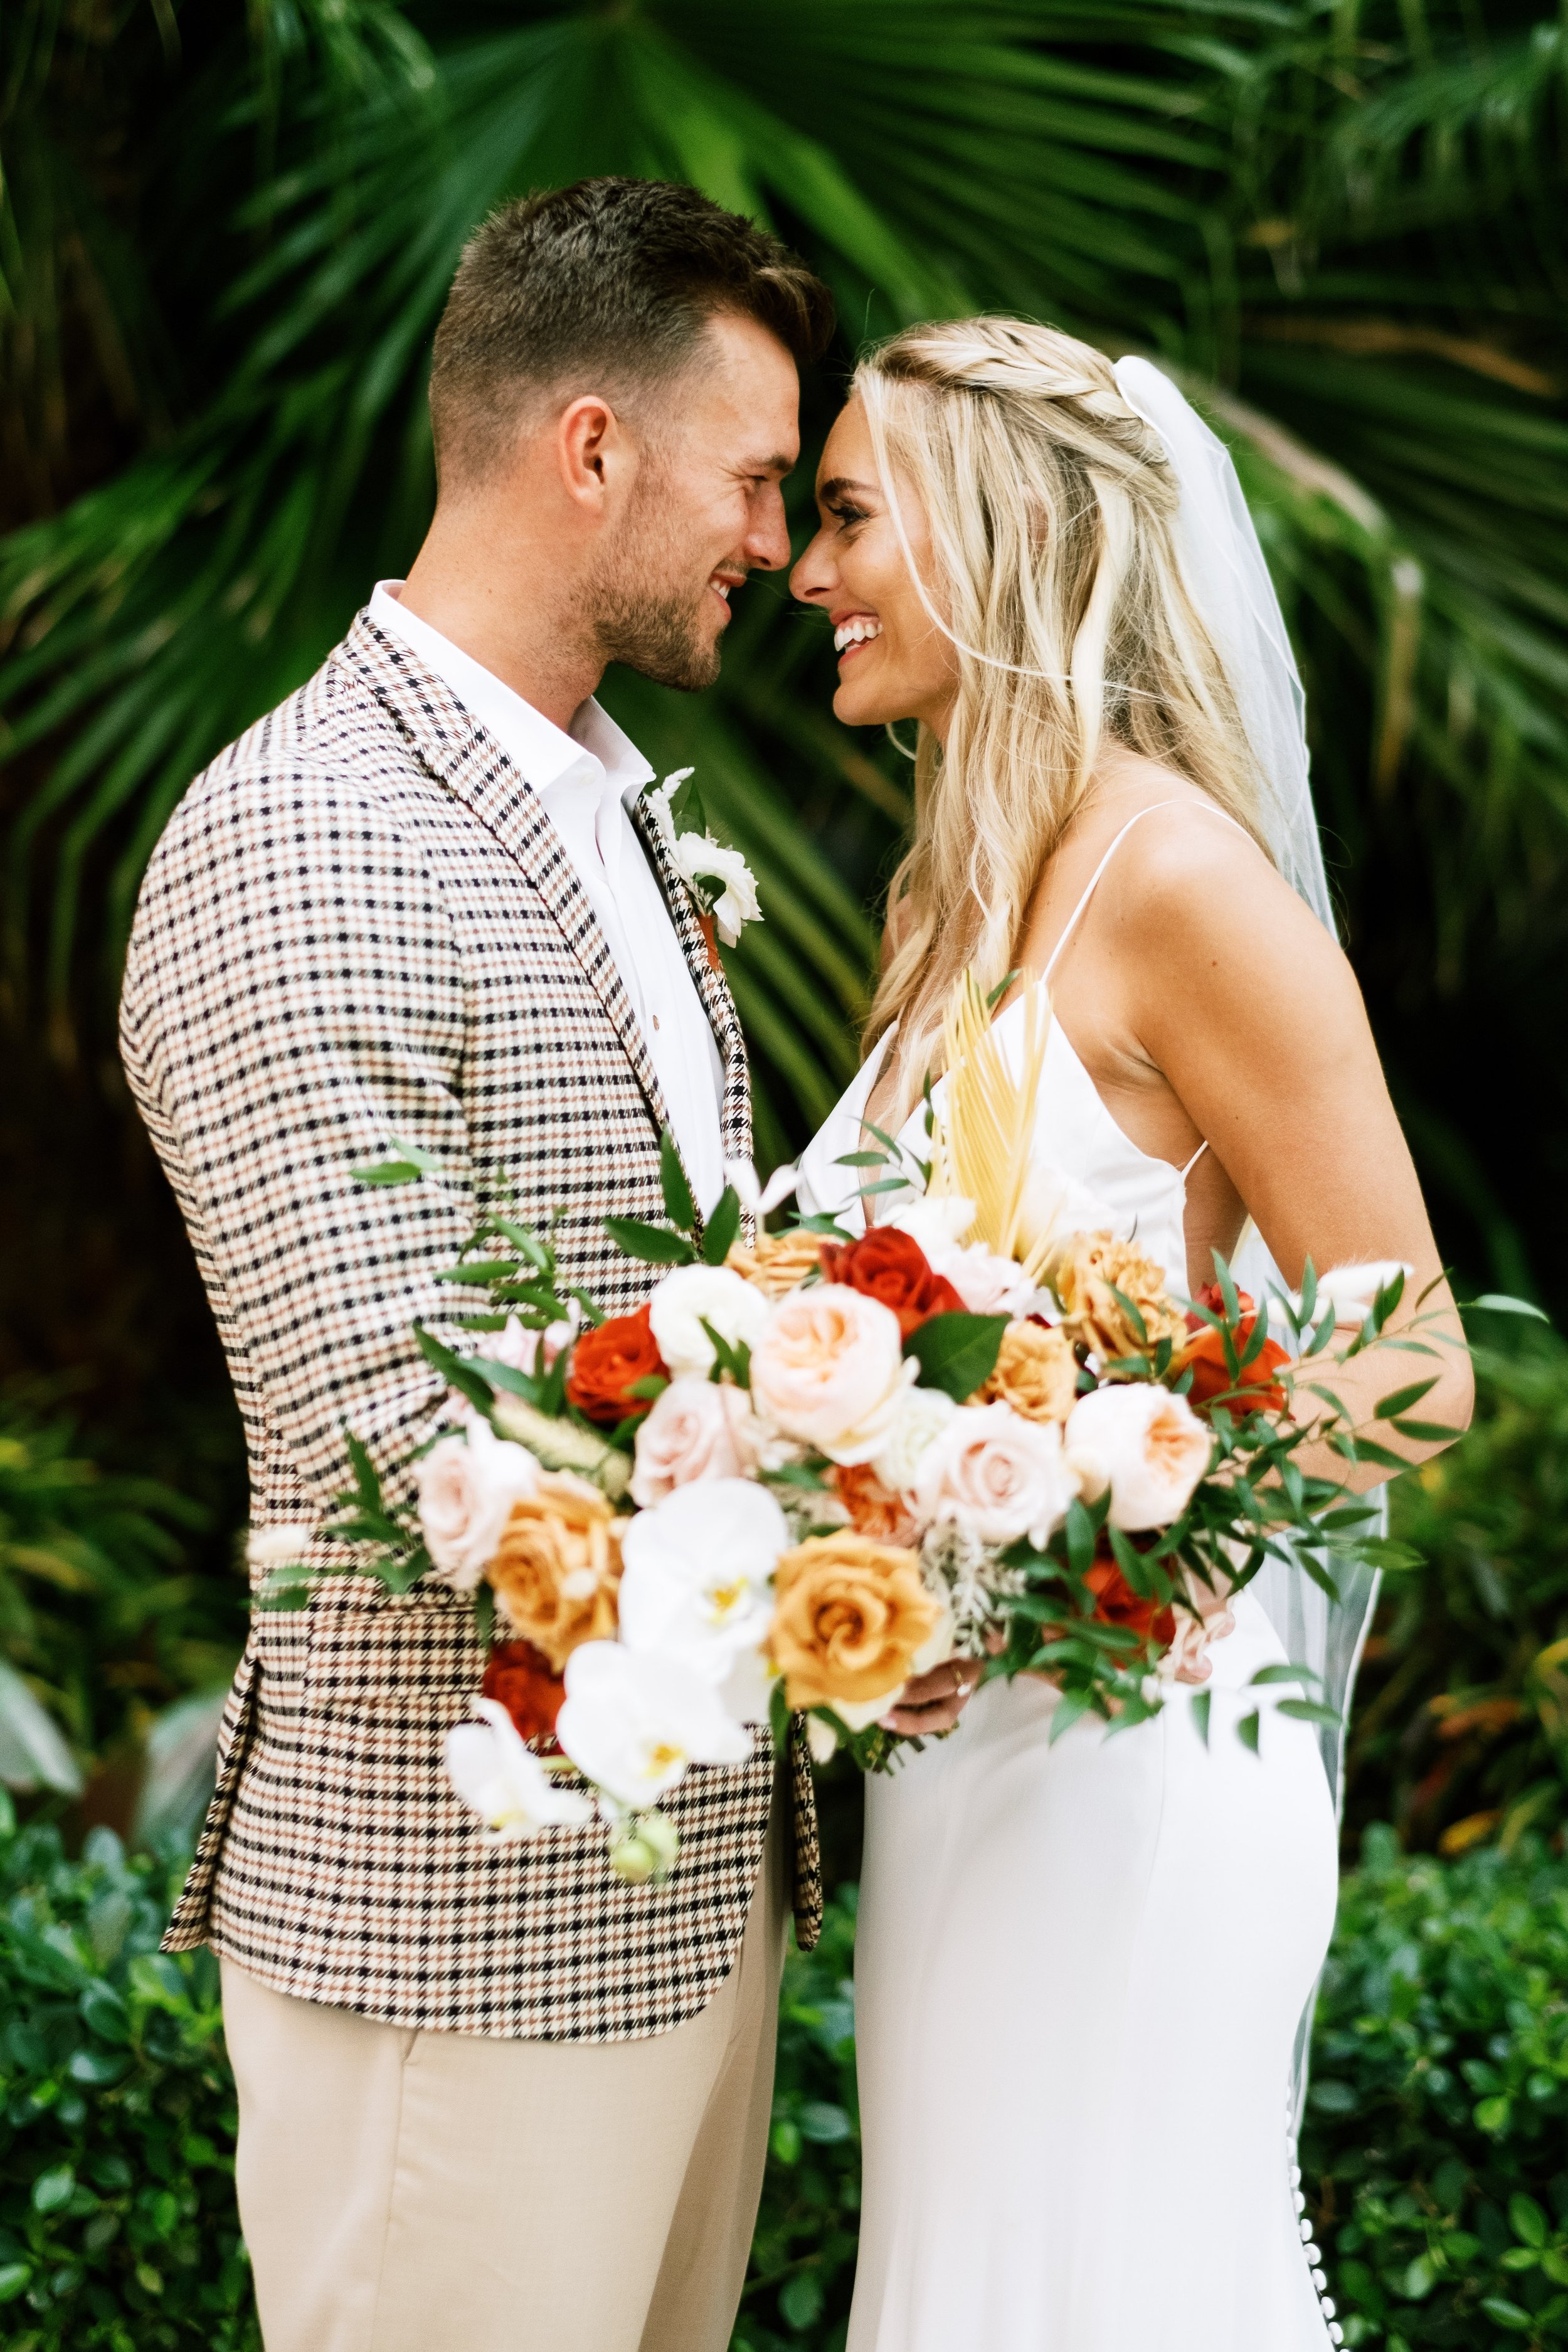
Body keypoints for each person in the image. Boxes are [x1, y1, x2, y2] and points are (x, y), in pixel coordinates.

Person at [119, 177, 834, 2352]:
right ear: (591, 447)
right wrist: (850, 1510)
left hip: (686, 1889)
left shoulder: (607, 805)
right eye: (756, 480)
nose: (781, 550)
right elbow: (389, 1433)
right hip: (463, 1924)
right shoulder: (310, 827)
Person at [790, 317, 1473, 2352]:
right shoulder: (951, 901)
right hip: (959, 1765)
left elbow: (1411, 1352)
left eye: (843, 516)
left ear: (994, 532)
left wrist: (1112, 1535)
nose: (809, 576)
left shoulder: (1183, 885)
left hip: (1127, 1759)